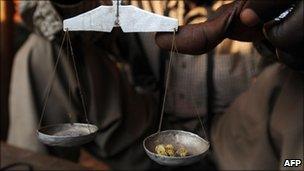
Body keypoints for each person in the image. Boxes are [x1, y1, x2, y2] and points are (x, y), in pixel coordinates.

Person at [8, 0, 267, 170]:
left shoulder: (255, 8)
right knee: (42, 51)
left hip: (238, 139)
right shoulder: (138, 3)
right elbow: (60, 16)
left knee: (292, 86)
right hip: (145, 128)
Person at [156, 0, 303, 170]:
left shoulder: (250, 8)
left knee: (296, 88)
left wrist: (277, 30)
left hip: (239, 135)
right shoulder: (138, 5)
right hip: (148, 125)